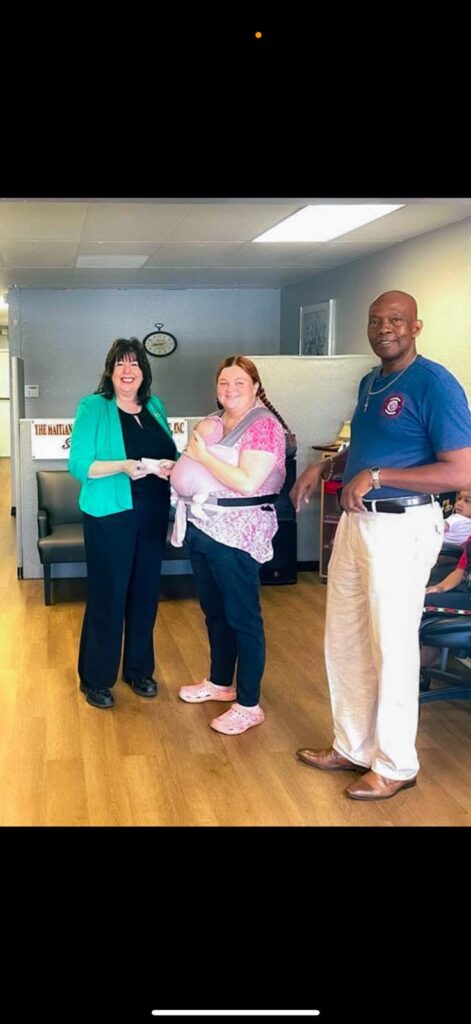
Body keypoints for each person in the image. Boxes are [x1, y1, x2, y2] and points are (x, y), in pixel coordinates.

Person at [291, 290, 471, 800]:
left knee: (392, 645)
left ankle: (395, 763)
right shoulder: (371, 381)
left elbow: (461, 471)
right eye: (376, 320)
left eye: (396, 320)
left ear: (415, 327)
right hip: (358, 524)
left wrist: (377, 475)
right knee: (346, 638)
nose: (384, 328)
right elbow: (368, 446)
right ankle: (353, 746)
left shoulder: (434, 383)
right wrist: (327, 464)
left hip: (402, 526)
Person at [177, 355, 289, 735]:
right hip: (203, 527)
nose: (230, 389)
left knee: (243, 617)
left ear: (256, 386)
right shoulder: (216, 420)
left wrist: (201, 457)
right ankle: (220, 682)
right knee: (215, 612)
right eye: (224, 382)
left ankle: (249, 704)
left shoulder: (264, 426)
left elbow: (246, 482)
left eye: (239, 382)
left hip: (238, 533)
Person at [69, 338, 177, 708]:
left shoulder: (155, 406)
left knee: (145, 594)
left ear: (144, 371)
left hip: (152, 514)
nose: (128, 371)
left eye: (135, 364)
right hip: (110, 516)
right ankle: (96, 679)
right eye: (120, 364)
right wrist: (122, 466)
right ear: (110, 371)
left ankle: (138, 671)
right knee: (109, 595)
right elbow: (79, 465)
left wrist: (172, 465)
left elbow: (170, 451)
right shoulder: (93, 407)